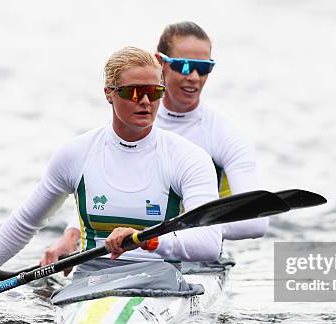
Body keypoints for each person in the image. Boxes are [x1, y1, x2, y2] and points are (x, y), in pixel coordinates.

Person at [0, 46, 222, 317]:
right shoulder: (76, 154)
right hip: (89, 283)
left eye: (154, 92)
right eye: (133, 93)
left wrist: (148, 240)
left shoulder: (188, 158)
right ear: (109, 93)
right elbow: (24, 224)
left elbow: (209, 242)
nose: (146, 101)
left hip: (160, 284)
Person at [42, 21, 267, 267]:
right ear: (162, 63)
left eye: (204, 68)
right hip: (130, 249)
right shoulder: (133, 117)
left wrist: (169, 233)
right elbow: (106, 192)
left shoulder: (226, 135)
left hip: (195, 258)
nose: (193, 76)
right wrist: (72, 234)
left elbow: (254, 223)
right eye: (183, 65)